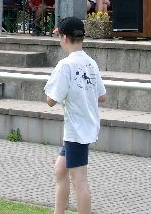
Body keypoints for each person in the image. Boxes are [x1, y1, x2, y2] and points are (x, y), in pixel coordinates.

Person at [44, 17, 107, 214]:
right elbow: (102, 96)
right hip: (86, 125)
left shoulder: (66, 65)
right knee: (60, 170)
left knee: (79, 179)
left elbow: (51, 100)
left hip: (76, 130)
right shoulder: (90, 62)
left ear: (64, 37)